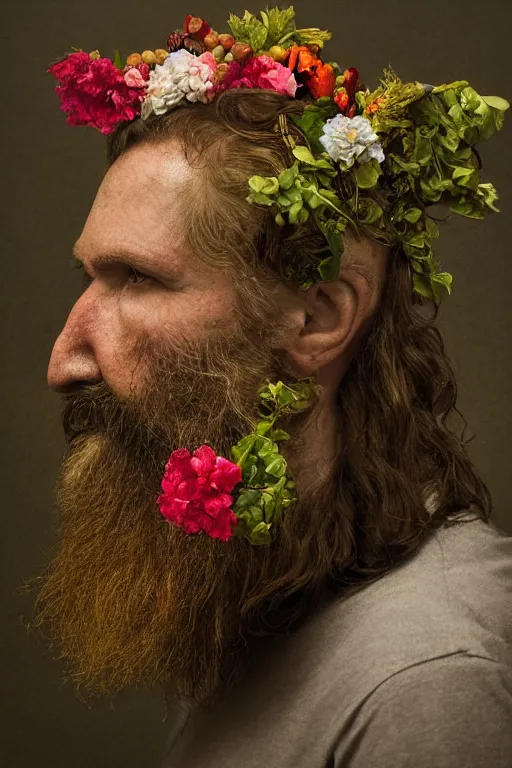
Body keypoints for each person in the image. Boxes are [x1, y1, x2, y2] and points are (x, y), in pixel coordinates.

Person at [31, 6, 512, 767]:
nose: (65, 359)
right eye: (92, 278)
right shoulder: (264, 589)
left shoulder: (428, 683)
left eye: (139, 279)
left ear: (319, 316)